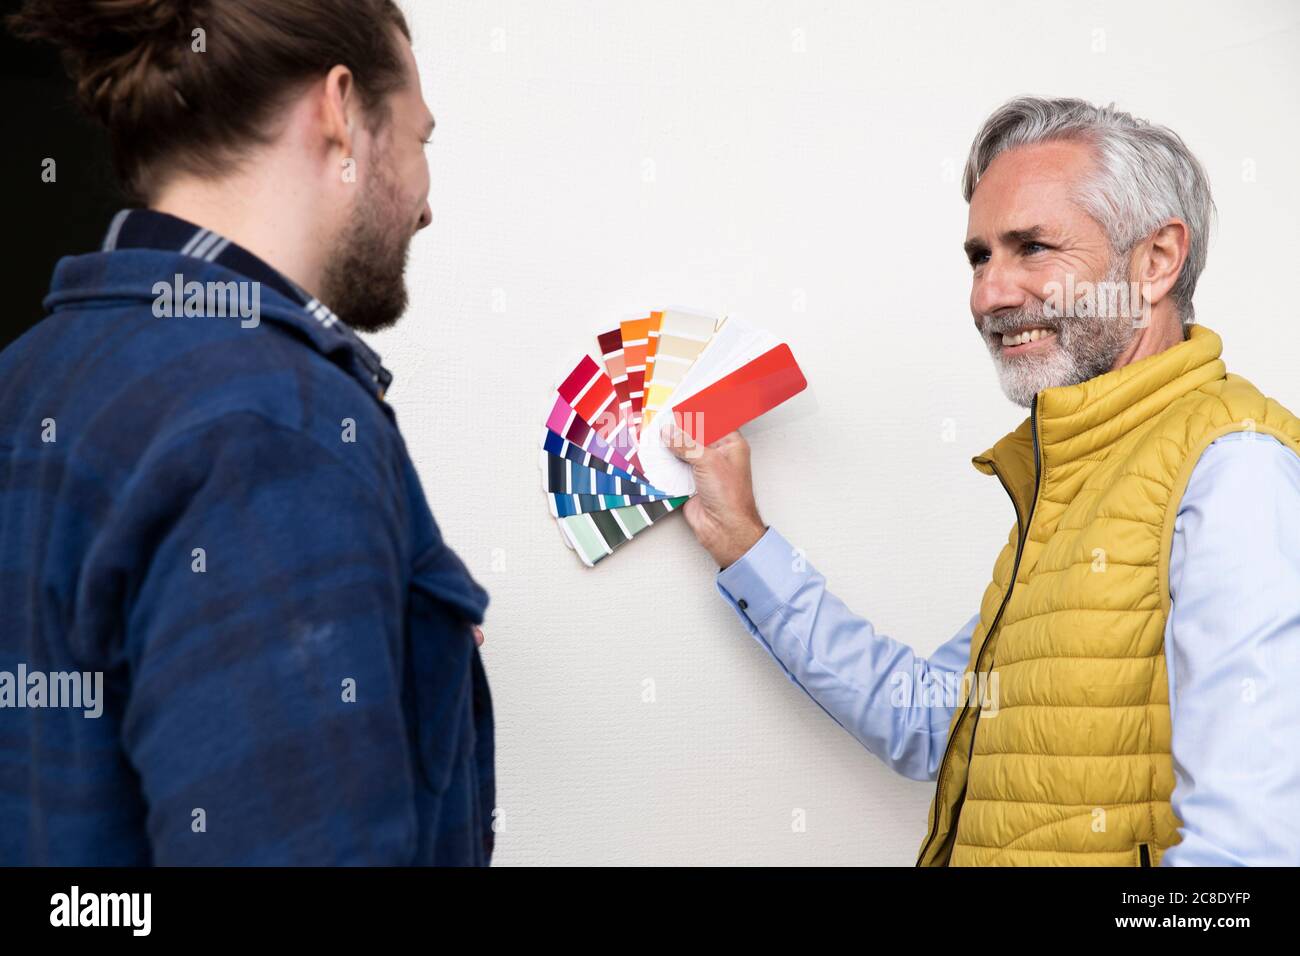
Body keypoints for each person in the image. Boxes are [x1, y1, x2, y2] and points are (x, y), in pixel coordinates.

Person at [666, 96, 1300, 866]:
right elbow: (933, 720)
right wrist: (744, 540)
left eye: (1032, 247)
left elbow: (1247, 861)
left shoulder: (1236, 467)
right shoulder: (1074, 480)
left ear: (1156, 261)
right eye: (979, 256)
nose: (988, 295)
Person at [0, 0, 494, 865]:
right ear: (340, 111)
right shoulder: (279, 426)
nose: (425, 207)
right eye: (421, 141)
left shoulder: (28, 373)